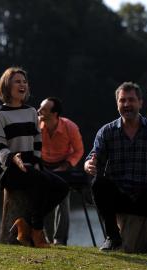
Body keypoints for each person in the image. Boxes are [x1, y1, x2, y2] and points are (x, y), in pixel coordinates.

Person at [84, 82, 147, 256]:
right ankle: (112, 237)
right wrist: (88, 164)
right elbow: (92, 158)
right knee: (98, 183)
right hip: (120, 196)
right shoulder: (106, 132)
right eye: (122, 100)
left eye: (131, 100)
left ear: (140, 102)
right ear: (117, 104)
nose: (127, 104)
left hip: (146, 195)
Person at [0, 67, 69, 248]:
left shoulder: (32, 111)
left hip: (28, 165)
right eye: (17, 81)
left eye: (24, 81)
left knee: (62, 187)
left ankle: (26, 224)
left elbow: (37, 140)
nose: (22, 84)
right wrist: (13, 159)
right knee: (40, 183)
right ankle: (37, 233)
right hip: (4, 168)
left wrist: (36, 161)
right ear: (7, 86)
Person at [38, 97, 84, 245]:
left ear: (55, 113)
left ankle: (60, 240)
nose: (39, 111)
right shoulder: (36, 125)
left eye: (44, 110)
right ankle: (46, 238)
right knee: (43, 199)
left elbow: (79, 150)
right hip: (43, 165)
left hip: (64, 165)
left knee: (63, 201)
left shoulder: (70, 127)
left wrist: (66, 165)